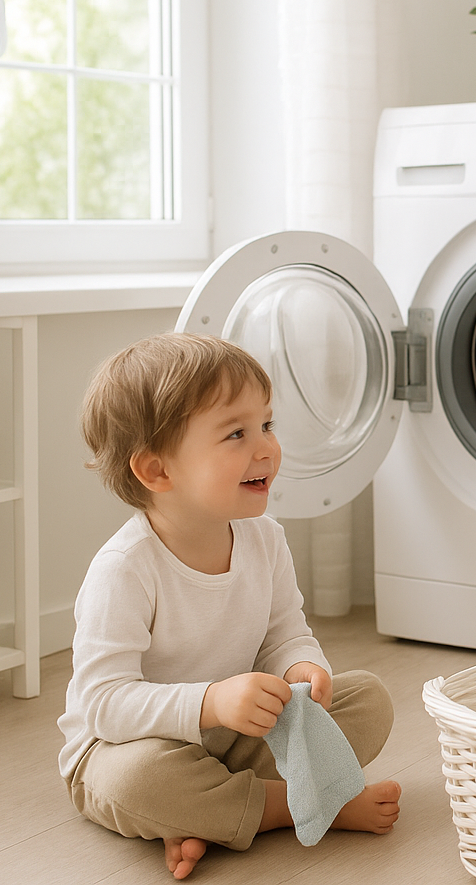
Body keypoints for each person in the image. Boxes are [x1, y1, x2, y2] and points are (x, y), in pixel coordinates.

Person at [58, 332, 401, 880]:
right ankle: (297, 806)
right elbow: (103, 704)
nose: (265, 448)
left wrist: (301, 668)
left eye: (266, 424)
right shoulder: (125, 568)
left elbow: (284, 632)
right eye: (236, 434)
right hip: (128, 749)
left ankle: (209, 817)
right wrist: (211, 702)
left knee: (370, 699)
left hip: (235, 737)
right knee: (137, 782)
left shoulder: (264, 539)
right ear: (157, 472)